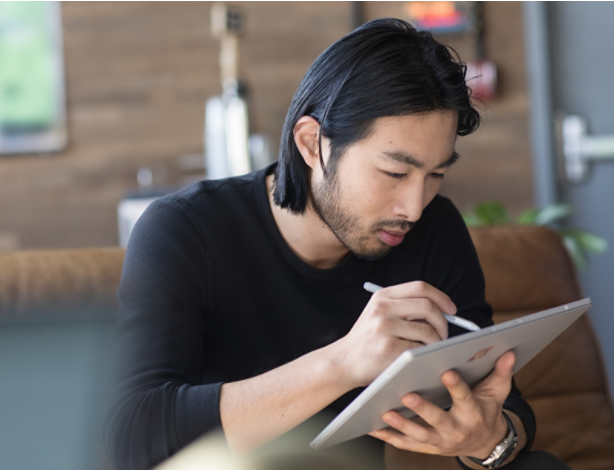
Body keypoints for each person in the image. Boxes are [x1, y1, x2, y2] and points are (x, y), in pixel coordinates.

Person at [105, 18, 570, 470]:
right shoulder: (186, 231)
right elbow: (134, 437)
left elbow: (506, 405)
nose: (413, 207)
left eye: (436, 175)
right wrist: (344, 362)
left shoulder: (434, 229)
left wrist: (488, 440)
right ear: (312, 143)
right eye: (393, 173)